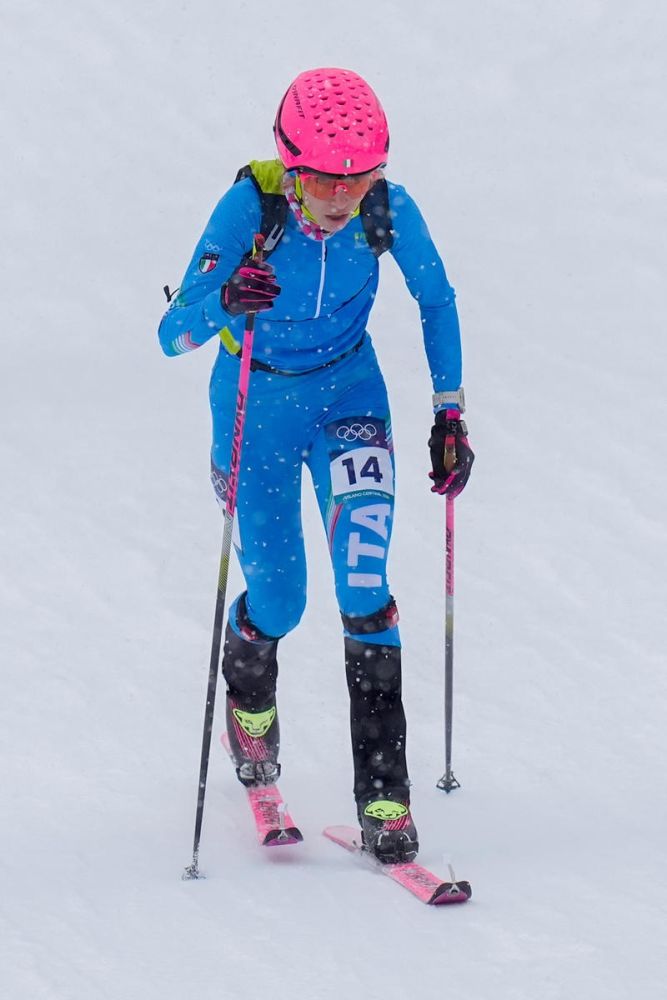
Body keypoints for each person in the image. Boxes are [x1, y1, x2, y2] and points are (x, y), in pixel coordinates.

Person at [158, 67, 474, 864]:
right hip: (255, 405)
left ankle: (385, 797)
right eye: (324, 180)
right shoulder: (251, 209)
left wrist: (449, 413)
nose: (341, 198)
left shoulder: (385, 208)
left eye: (359, 178)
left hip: (348, 396)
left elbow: (436, 300)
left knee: (364, 585)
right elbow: (172, 334)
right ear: (289, 164)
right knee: (281, 597)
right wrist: (226, 299)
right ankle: (250, 721)